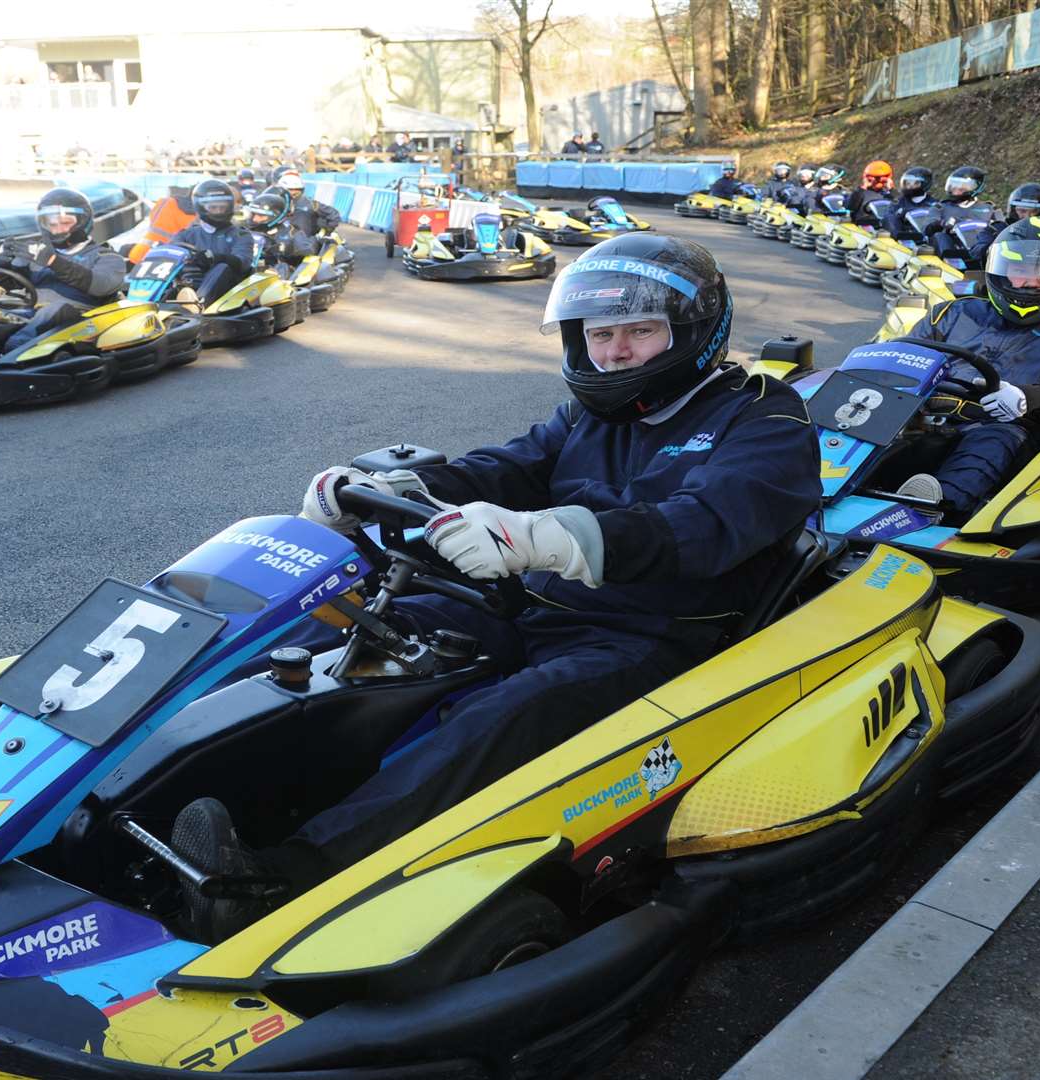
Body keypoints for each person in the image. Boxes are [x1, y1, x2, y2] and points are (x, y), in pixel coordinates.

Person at [169, 233, 824, 942]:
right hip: (526, 604)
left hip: (653, 635)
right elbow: (508, 469)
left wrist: (547, 537)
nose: (618, 352)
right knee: (348, 635)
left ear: (694, 334)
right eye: (602, 334)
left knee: (508, 715)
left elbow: (706, 524)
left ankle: (281, 882)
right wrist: (397, 489)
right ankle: (172, 783)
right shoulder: (591, 413)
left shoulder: (764, 415)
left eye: (639, 332)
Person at [895, 217, 1040, 513]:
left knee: (993, 441)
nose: (1029, 282)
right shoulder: (952, 313)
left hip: (1002, 429)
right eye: (1019, 270)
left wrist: (1028, 397)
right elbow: (903, 357)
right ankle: (828, 490)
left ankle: (934, 508)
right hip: (924, 416)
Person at [0, 187, 127, 358]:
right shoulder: (37, 253)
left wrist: (53, 262)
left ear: (83, 222)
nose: (58, 230)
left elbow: (100, 285)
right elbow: (5, 284)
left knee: (55, 310)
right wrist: (0, 264)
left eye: (65, 223)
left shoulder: (106, 256)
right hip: (38, 318)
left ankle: (8, 352)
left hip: (84, 321)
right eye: (52, 224)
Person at [171, 178, 259, 303]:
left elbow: (243, 262)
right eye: (213, 207)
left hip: (227, 293)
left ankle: (196, 304)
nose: (218, 211)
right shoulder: (186, 235)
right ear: (200, 207)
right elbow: (172, 251)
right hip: (189, 284)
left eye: (222, 207)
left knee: (222, 267)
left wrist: (214, 258)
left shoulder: (241, 234)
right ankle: (151, 302)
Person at [963, 182, 1040, 267]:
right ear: (1013, 210)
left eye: (1034, 211)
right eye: (1022, 211)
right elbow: (976, 252)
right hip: (1002, 277)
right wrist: (993, 247)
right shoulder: (996, 229)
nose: (1027, 216)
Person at [930, 165, 990, 263]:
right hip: (954, 253)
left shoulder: (989, 208)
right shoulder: (940, 207)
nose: (956, 189)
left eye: (962, 187)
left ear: (976, 187)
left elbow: (1002, 228)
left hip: (982, 252)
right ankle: (949, 265)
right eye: (954, 185)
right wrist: (941, 224)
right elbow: (927, 229)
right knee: (940, 236)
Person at [274, 169, 341, 238]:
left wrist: (326, 231)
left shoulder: (311, 204)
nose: (293, 192)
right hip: (281, 240)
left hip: (304, 242)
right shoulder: (275, 204)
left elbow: (333, 214)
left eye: (296, 189)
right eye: (290, 189)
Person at [883, 165, 940, 244]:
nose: (909, 186)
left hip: (928, 241)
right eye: (907, 183)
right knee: (889, 217)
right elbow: (889, 218)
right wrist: (901, 214)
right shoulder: (898, 202)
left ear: (925, 184)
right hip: (904, 240)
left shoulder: (934, 203)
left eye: (915, 183)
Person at [848, 160, 893, 227]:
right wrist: (864, 187)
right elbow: (851, 207)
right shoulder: (860, 193)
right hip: (864, 227)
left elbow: (899, 206)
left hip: (886, 228)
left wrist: (891, 189)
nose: (877, 181)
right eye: (875, 178)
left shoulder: (889, 194)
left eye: (881, 178)